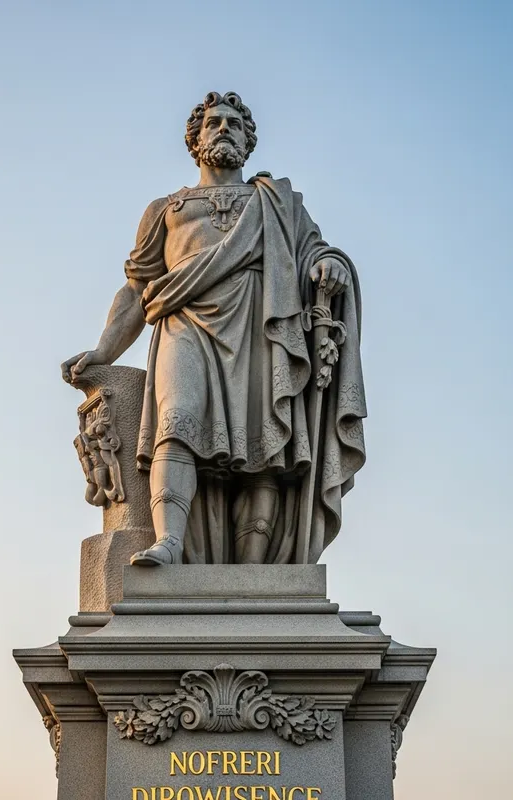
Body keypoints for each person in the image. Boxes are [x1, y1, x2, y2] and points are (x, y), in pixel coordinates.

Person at [62, 92, 366, 566]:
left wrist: (331, 265)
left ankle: (253, 569)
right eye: (213, 123)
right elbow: (136, 289)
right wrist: (104, 350)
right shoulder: (167, 208)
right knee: (175, 423)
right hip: (184, 324)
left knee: (265, 444)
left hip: (261, 324)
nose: (223, 129)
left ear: (247, 142)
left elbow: (313, 252)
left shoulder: (280, 204)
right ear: (196, 139)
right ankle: (169, 541)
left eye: (234, 125)